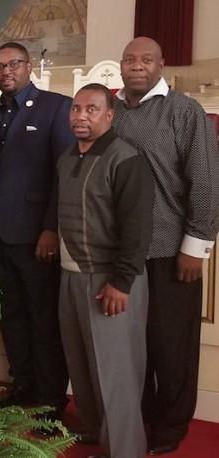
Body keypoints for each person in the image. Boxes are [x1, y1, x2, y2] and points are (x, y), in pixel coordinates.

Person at [112, 36, 219, 456]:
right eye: (129, 59)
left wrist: (196, 246)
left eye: (146, 59)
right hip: (121, 251)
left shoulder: (184, 111)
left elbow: (206, 183)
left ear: (160, 65)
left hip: (170, 247)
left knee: (170, 343)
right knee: (131, 343)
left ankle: (172, 424)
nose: (137, 66)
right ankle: (139, 413)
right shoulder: (111, 109)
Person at [58, 83, 155, 458]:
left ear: (109, 115)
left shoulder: (125, 157)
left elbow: (137, 227)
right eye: (76, 109)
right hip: (71, 275)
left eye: (92, 110)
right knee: (82, 367)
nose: (81, 116)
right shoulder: (67, 157)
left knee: (115, 374)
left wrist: (121, 281)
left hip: (109, 281)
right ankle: (99, 431)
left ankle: (125, 450)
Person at [0, 42, 73, 419]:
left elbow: (64, 173)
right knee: (11, 315)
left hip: (38, 236)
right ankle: (22, 383)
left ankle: (52, 399)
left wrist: (51, 228)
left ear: (29, 66)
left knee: (44, 319)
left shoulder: (57, 107)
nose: (6, 71)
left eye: (13, 64)